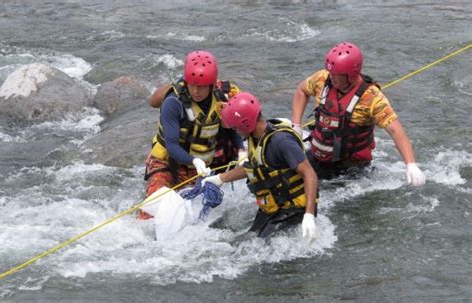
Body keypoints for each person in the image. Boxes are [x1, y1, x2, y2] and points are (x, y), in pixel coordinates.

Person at [291, 41, 426, 185]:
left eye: (337, 75)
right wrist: (296, 124)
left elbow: (395, 130)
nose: (332, 77)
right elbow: (302, 90)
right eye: (331, 73)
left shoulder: (371, 98)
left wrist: (410, 164)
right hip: (316, 158)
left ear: (352, 74)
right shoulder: (322, 79)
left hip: (350, 171)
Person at [140, 50, 246, 220]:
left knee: (194, 213)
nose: (196, 91)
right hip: (167, 161)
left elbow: (232, 129)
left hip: (200, 167)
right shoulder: (173, 103)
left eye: (202, 86)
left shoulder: (223, 97)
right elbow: (172, 145)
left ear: (211, 85)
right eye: (192, 85)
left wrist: (241, 150)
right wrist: (194, 160)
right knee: (152, 210)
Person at [203, 92, 318, 243]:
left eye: (236, 127)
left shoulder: (282, 142)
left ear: (246, 123)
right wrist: (220, 178)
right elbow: (253, 167)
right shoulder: (256, 138)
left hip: (294, 210)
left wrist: (309, 215)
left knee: (255, 247)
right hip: (274, 207)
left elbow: (310, 174)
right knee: (243, 242)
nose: (235, 131)